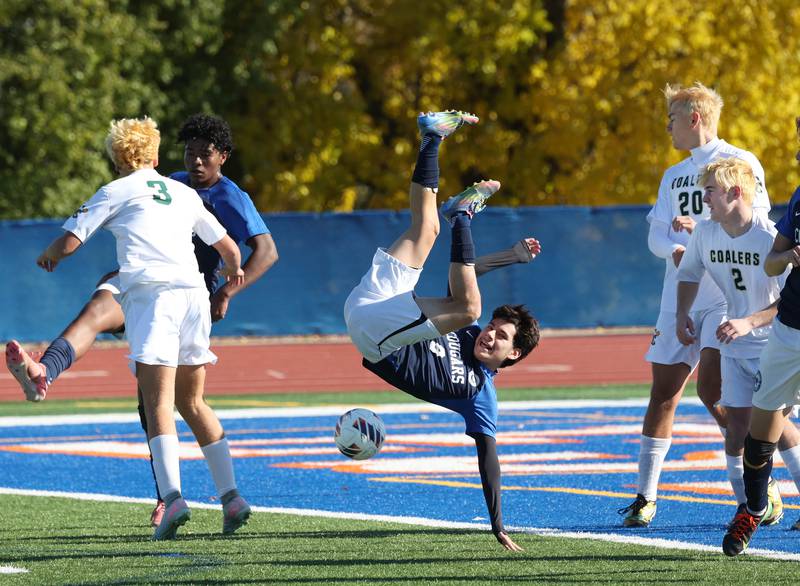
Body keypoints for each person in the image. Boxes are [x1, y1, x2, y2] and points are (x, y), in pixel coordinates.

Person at [5, 114, 277, 526]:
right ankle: (231, 497)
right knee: (188, 399)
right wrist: (231, 275)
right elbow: (230, 250)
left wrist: (49, 255)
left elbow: (70, 241)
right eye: (190, 153)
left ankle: (171, 499)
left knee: (156, 405)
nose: (197, 161)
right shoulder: (180, 189)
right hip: (190, 297)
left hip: (152, 295)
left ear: (117, 158)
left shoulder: (122, 189)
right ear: (159, 152)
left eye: (205, 154)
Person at [344, 110, 541, 551]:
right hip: (374, 303)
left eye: (502, 338)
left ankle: (462, 215)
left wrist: (497, 523)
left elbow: (489, 459)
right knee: (427, 227)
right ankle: (432, 139)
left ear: (512, 357)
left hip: (377, 337)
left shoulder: (479, 395)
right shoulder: (470, 332)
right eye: (495, 328)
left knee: (467, 304)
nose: (490, 334)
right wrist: (510, 255)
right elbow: (465, 285)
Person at [619, 82, 773, 527]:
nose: (667, 127)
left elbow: (754, 222)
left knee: (715, 392)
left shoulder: (740, 162)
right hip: (680, 294)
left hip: (726, 296)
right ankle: (645, 497)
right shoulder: (672, 174)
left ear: (694, 119)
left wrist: (701, 229)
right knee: (663, 393)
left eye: (672, 118)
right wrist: (676, 250)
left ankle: (757, 483)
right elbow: (656, 235)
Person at [675, 157, 800, 534]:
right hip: (735, 345)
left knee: (778, 429)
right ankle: (749, 509)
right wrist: (683, 313)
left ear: (735, 191)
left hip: (774, 342)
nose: (704, 199)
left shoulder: (767, 235)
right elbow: (689, 274)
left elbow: (789, 301)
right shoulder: (705, 234)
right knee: (737, 429)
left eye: (710, 191)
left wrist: (749, 321)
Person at [722, 116, 800, 556]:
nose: (796, 152)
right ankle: (753, 506)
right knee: (761, 427)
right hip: (789, 329)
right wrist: (790, 255)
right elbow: (772, 264)